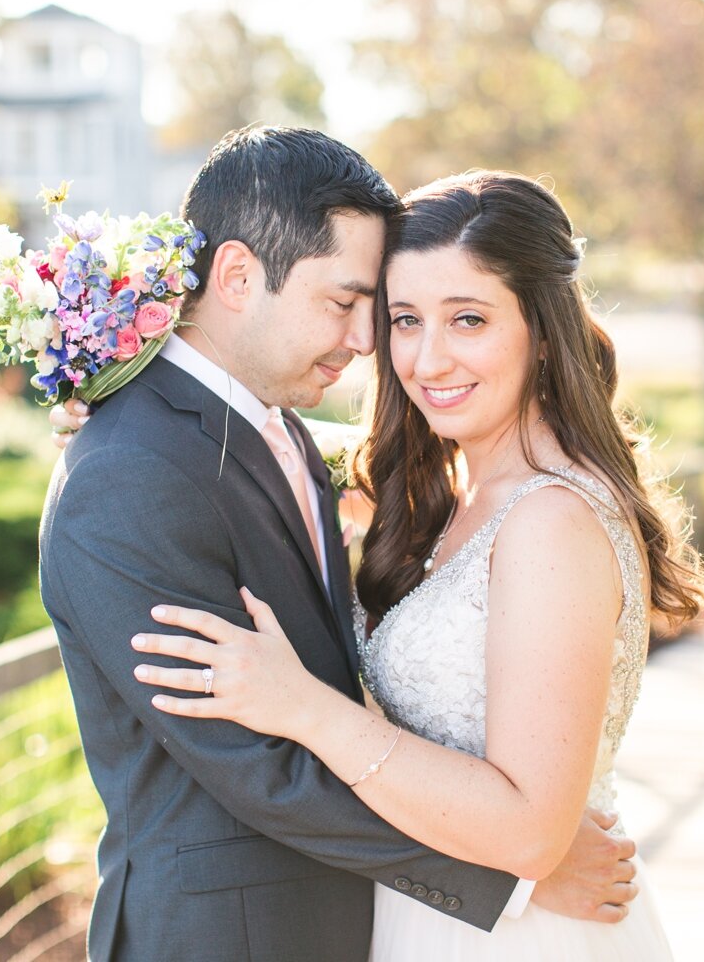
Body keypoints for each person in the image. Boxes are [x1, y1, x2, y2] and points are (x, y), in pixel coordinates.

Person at [39, 129, 640, 962]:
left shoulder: (283, 432)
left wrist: (520, 862)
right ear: (240, 278)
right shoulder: (129, 472)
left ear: (542, 329)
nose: (374, 346)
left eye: (466, 318)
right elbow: (256, 766)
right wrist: (516, 879)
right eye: (362, 308)